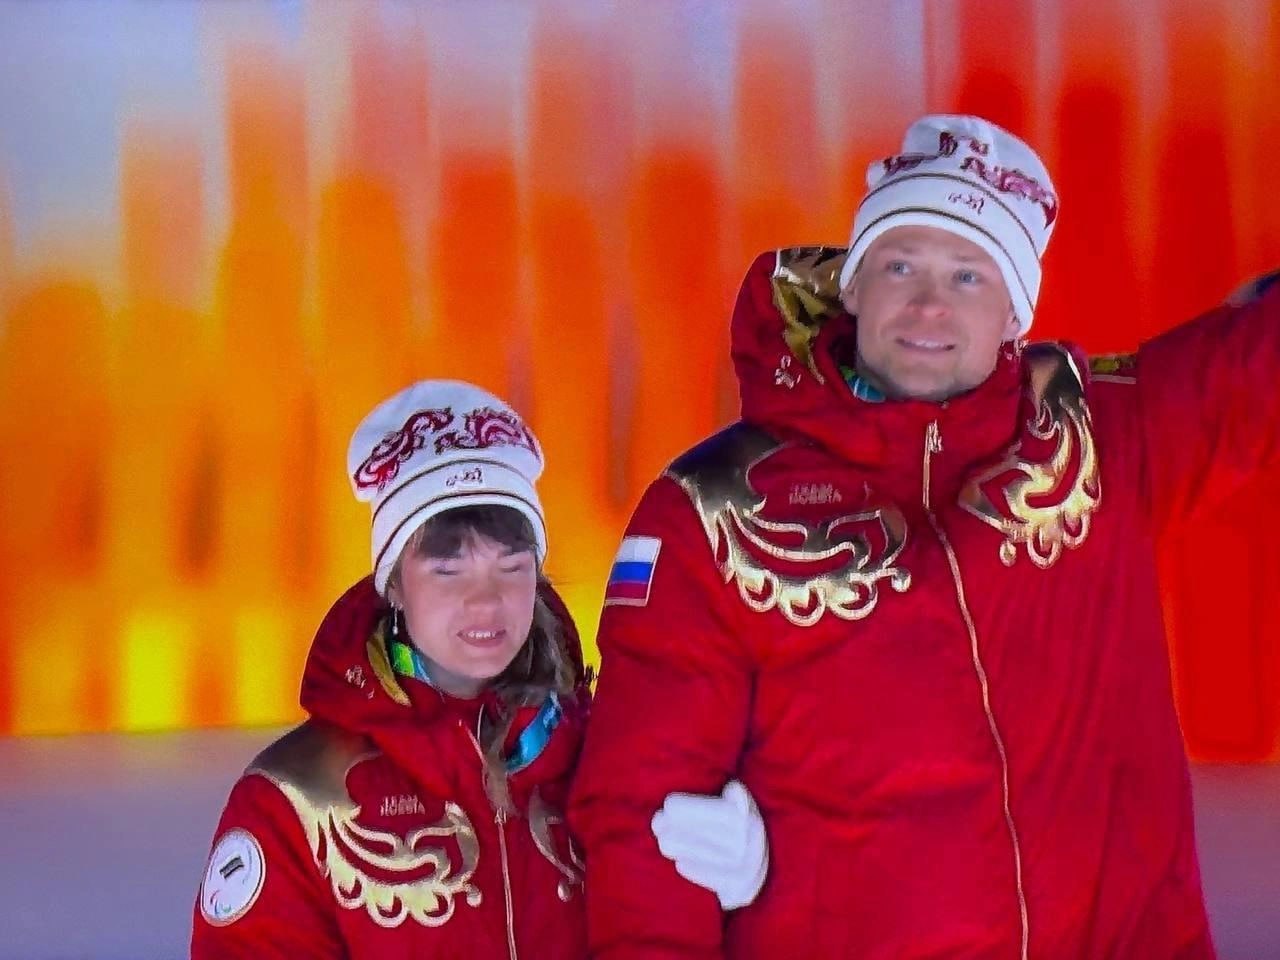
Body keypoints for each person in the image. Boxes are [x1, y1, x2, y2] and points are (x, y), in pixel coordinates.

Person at [570, 114, 1280, 959]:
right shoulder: (713, 510)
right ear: (854, 287)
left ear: (1015, 312)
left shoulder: (1101, 438)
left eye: (968, 275)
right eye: (900, 264)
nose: (929, 304)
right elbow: (644, 809)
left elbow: (1256, 363)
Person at [191, 380, 767, 959]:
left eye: (512, 566)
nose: (486, 601)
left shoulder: (616, 760)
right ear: (393, 584)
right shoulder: (297, 802)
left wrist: (747, 893)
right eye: (449, 571)